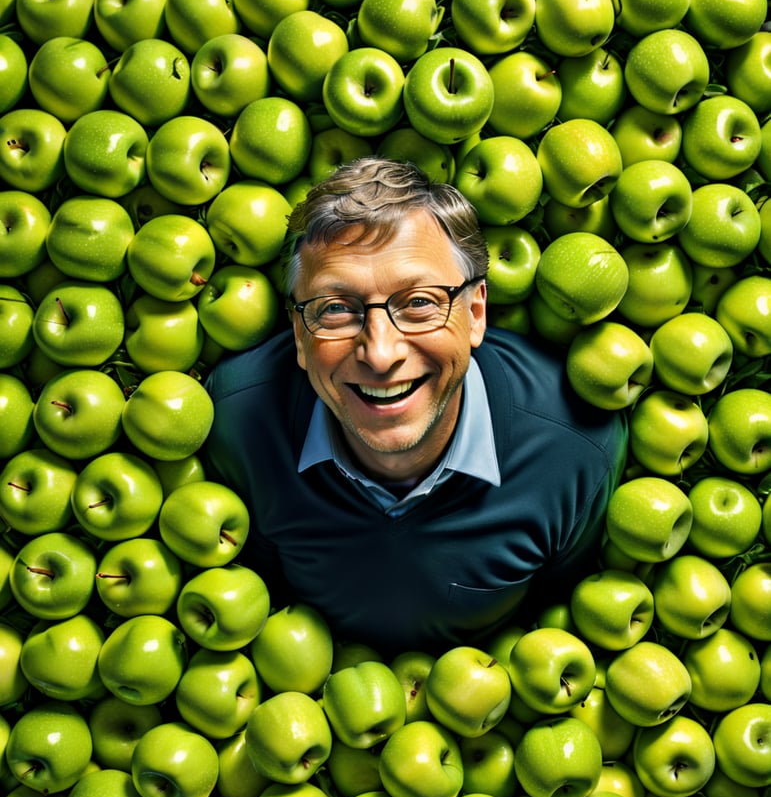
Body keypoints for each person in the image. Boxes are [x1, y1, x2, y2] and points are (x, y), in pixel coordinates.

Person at [204, 157, 627, 654]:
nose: (381, 354)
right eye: (335, 308)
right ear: (299, 333)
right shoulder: (236, 420)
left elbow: (561, 595)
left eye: (420, 302)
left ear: (475, 313)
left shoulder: (576, 446)